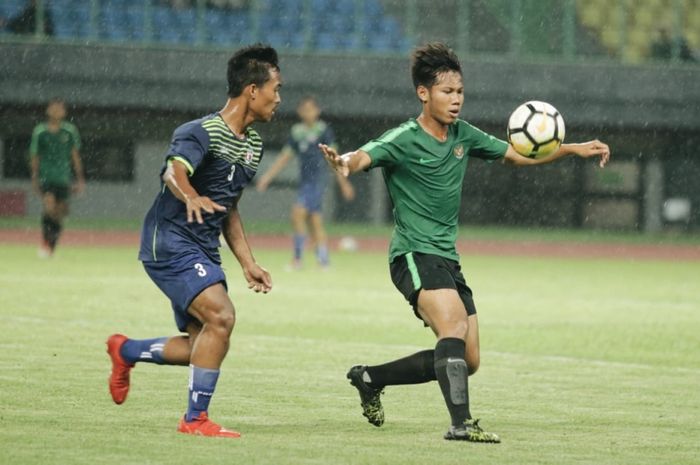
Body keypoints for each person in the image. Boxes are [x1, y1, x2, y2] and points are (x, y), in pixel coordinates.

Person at [320, 42, 610, 443]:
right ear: (423, 93)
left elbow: (513, 154)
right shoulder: (404, 138)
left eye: (459, 92)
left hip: (446, 257)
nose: (456, 100)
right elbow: (364, 155)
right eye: (447, 92)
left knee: (467, 358)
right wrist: (344, 162)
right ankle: (462, 424)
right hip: (413, 254)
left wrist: (572, 150)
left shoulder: (464, 135)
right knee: (453, 326)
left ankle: (370, 378)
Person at [106, 44, 281, 438]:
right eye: (276, 88)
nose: (279, 98)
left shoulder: (253, 146)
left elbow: (229, 208)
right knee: (222, 317)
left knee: (203, 343)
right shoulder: (201, 131)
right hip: (168, 238)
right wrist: (191, 196)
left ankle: (126, 350)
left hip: (202, 247)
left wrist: (248, 262)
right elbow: (173, 172)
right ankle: (194, 420)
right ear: (253, 90)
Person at [256, 96, 354, 269]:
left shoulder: (323, 131)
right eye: (305, 109)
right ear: (300, 112)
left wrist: (344, 183)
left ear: (317, 111)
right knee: (315, 220)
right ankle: (323, 260)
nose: (308, 113)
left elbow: (334, 158)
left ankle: (297, 259)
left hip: (317, 182)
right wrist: (267, 177)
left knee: (298, 213)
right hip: (305, 182)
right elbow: (285, 157)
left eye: (311, 109)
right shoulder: (297, 132)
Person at [29, 98, 85, 258]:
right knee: (49, 206)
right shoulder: (40, 132)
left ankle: (51, 245)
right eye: (53, 108)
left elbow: (75, 156)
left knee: (60, 213)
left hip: (63, 178)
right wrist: (34, 178)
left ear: (64, 112)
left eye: (59, 108)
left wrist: (80, 179)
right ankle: (45, 242)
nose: (56, 111)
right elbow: (35, 157)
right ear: (48, 110)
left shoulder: (69, 131)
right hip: (46, 177)